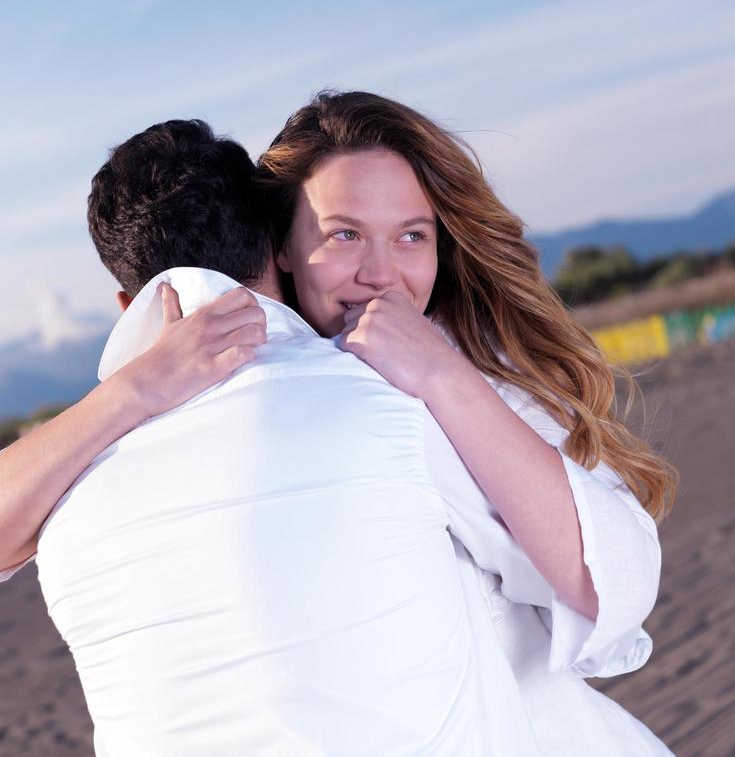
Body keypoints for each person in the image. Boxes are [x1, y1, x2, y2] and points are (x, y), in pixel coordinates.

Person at [0, 92, 677, 754]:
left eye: (412, 236)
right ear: (281, 246)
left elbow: (612, 581)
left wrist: (443, 376)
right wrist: (132, 390)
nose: (380, 274)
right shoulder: (330, 403)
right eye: (343, 234)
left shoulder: (446, 385)